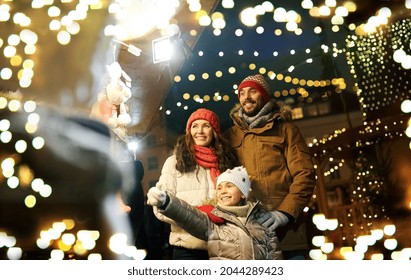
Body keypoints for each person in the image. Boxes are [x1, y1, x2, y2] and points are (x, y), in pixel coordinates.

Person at [224, 74, 316, 260]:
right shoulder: (229, 136)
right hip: (246, 233)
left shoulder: (286, 129)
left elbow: (305, 174)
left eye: (252, 91)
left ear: (264, 95)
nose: (246, 97)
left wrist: (285, 213)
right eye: (242, 93)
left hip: (287, 234)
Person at [153, 108, 239, 260]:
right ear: (189, 131)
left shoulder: (226, 162)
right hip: (186, 248)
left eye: (206, 125)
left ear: (214, 131)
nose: (200, 131)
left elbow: (238, 202)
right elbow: (159, 206)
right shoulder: (174, 162)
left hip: (223, 246)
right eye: (195, 126)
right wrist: (195, 216)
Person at [147, 166, 283, 260]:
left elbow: (275, 256)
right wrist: (166, 201)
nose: (223, 191)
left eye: (229, 186)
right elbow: (189, 216)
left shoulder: (261, 221)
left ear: (243, 193)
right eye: (219, 188)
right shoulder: (215, 221)